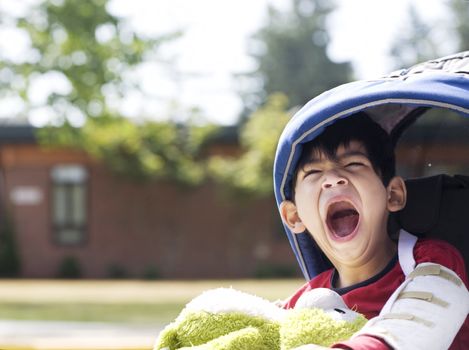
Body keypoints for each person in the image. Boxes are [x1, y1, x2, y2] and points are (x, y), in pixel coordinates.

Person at [278, 112, 469, 349]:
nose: (333, 179)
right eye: (314, 173)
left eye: (353, 164)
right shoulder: (302, 302)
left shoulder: (432, 261)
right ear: (294, 216)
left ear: (393, 195)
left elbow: (413, 327)